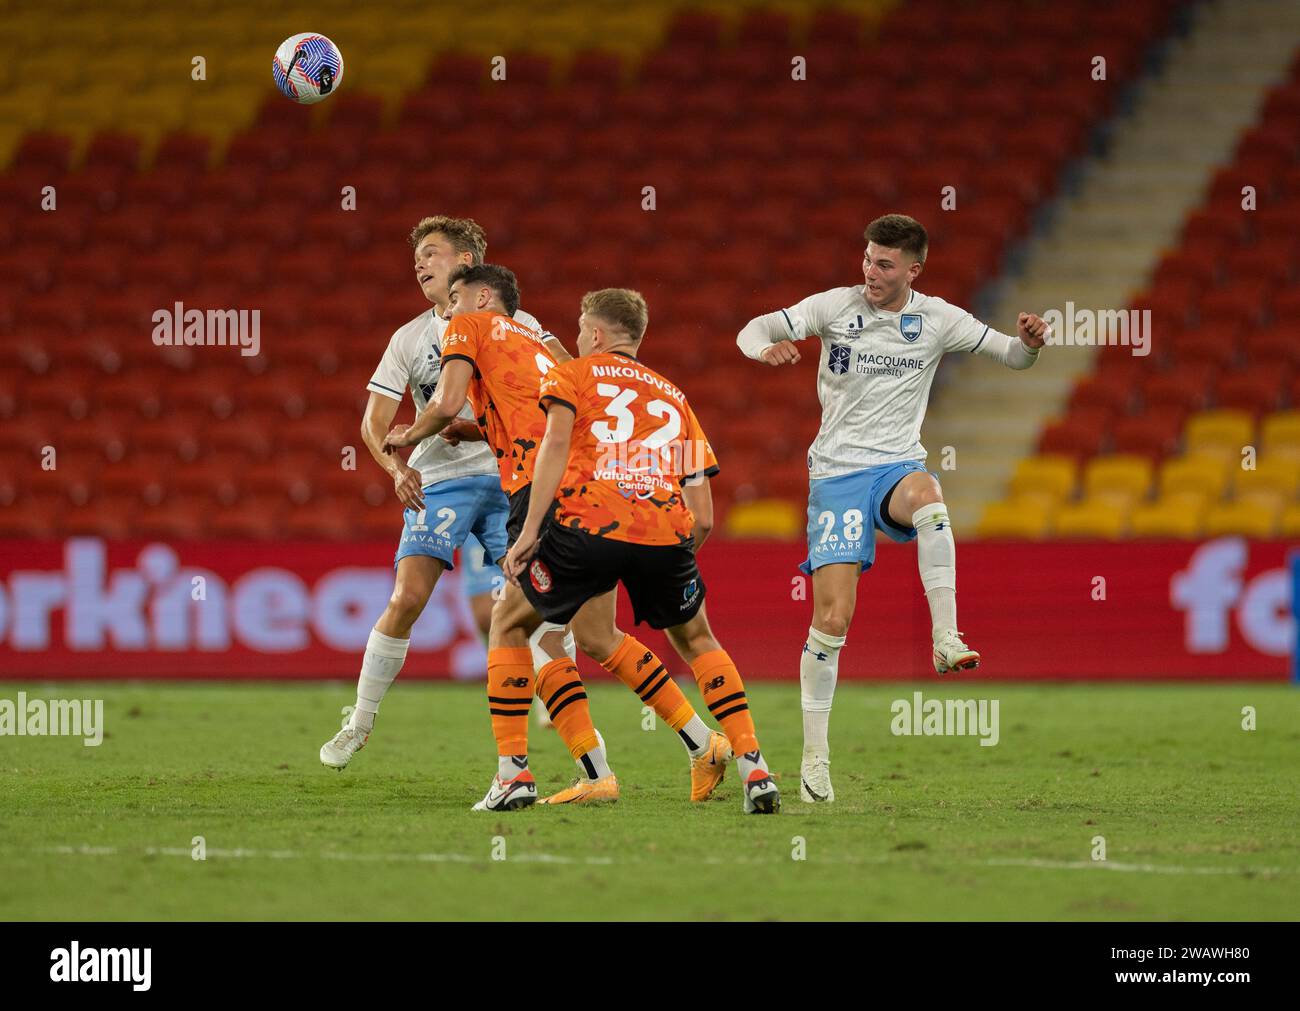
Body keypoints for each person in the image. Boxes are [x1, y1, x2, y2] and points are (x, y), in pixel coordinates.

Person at [387, 268, 733, 809]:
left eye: (454, 297)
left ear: (481, 297)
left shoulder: (469, 325)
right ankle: (690, 745)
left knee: (510, 624)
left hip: (538, 492)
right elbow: (540, 418)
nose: (447, 310)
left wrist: (408, 436)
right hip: (591, 494)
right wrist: (480, 431)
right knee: (589, 637)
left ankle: (514, 775)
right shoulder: (538, 342)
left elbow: (447, 399)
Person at [736, 213, 1050, 803]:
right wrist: (764, 349)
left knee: (931, 498)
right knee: (831, 622)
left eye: (884, 264)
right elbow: (751, 328)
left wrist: (1030, 344)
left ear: (914, 269)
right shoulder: (834, 307)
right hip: (835, 475)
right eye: (867, 259)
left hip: (895, 468)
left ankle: (946, 636)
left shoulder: (938, 319)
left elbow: (1012, 356)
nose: (870, 272)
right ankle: (814, 760)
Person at [504, 288, 781, 815]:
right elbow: (704, 515)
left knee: (515, 624)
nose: (580, 338)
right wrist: (673, 550)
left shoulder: (572, 375)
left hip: (588, 528)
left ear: (597, 333)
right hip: (663, 532)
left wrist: (528, 533)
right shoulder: (674, 396)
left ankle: (523, 773)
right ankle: (752, 764)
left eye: (583, 330)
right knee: (695, 639)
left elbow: (556, 448)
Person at [319, 216, 568, 770]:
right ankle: (359, 721)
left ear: (467, 260)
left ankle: (577, 741)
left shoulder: (521, 322)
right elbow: (374, 423)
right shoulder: (408, 339)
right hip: (440, 480)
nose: (419, 264)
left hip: (513, 476)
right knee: (407, 599)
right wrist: (395, 467)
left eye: (431, 254)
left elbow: (565, 383)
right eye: (417, 258)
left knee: (541, 597)